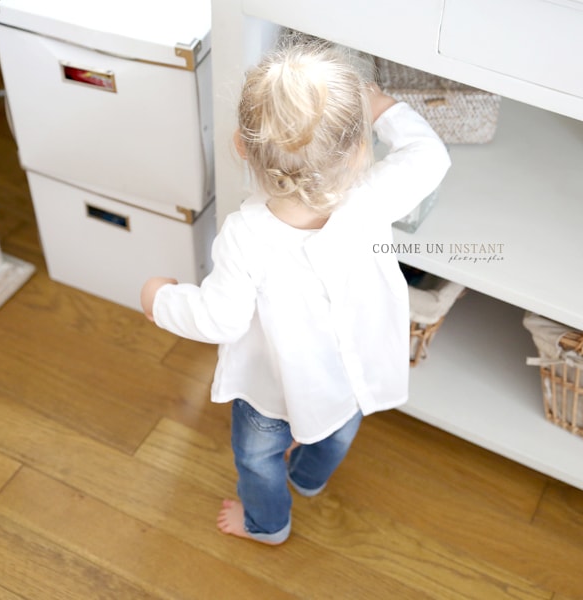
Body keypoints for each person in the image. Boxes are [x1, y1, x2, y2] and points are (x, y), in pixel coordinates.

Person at [140, 40, 450, 544]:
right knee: (335, 432)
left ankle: (268, 523)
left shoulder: (246, 235)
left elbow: (220, 319)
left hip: (271, 390)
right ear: (357, 152)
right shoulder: (371, 200)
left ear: (242, 145)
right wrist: (384, 108)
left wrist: (161, 300)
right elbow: (430, 155)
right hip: (350, 374)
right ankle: (308, 478)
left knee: (258, 459)